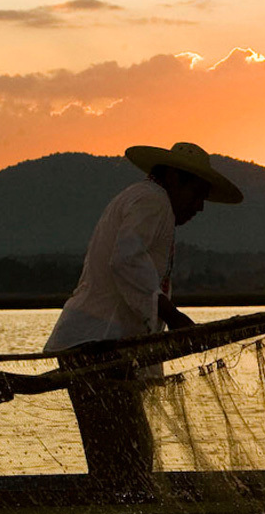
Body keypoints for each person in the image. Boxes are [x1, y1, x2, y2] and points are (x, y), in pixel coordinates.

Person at [44, 142, 244, 483]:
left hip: (98, 346)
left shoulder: (146, 200)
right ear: (172, 178)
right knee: (127, 457)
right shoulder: (154, 201)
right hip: (98, 346)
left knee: (124, 454)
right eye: (196, 194)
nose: (200, 208)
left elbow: (135, 269)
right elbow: (126, 260)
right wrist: (173, 315)